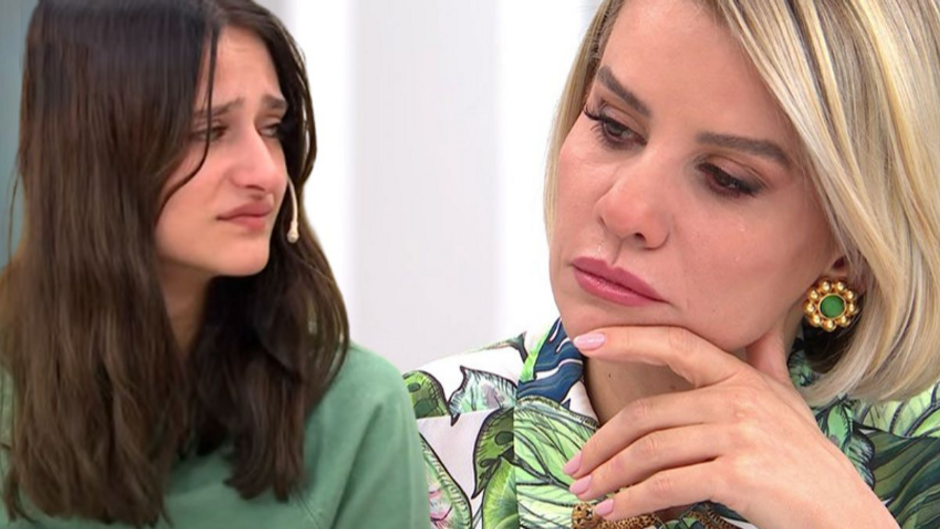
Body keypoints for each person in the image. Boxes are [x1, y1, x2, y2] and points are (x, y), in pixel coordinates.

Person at [407, 0, 940, 527]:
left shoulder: (923, 469)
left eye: (726, 178)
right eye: (613, 126)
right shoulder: (409, 441)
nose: (623, 210)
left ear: (851, 248)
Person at [0, 0, 428, 527]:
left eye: (272, 127)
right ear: (97, 150)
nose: (266, 174)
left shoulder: (356, 412)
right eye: (209, 131)